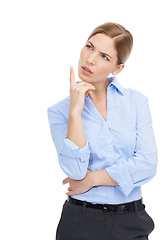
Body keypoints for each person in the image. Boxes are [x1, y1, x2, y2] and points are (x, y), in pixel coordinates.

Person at [47, 22, 158, 240]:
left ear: (117, 68)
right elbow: (75, 171)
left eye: (104, 57)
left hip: (132, 221)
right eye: (89, 47)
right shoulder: (60, 112)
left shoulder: (136, 102)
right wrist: (75, 113)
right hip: (80, 222)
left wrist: (93, 179)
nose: (90, 59)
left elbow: (147, 164)